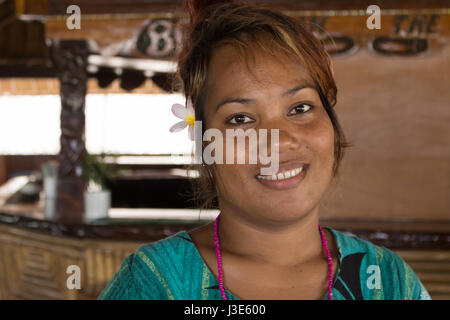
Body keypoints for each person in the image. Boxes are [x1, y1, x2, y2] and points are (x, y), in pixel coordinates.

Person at [98, 0, 431, 300]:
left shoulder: (390, 282)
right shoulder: (153, 285)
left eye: (300, 108)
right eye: (240, 118)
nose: (279, 141)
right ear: (205, 143)